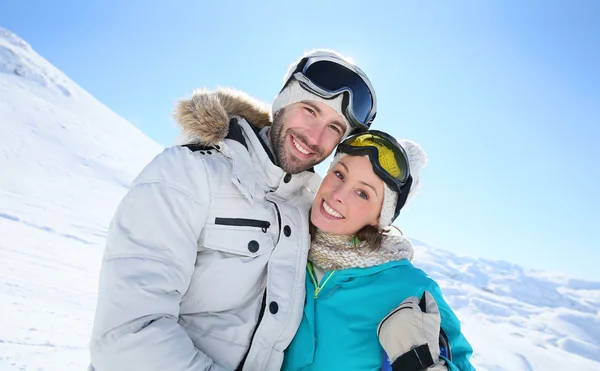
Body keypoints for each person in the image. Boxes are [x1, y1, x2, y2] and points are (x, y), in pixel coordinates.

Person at [88, 49, 377, 371]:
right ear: (282, 103)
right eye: (309, 110)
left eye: (334, 128)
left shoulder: (306, 206)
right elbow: (127, 335)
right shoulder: (188, 172)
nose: (314, 137)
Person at [281, 131, 475, 371]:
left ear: (379, 217)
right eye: (339, 174)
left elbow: (462, 363)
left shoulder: (410, 287)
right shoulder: (283, 246)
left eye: (362, 193)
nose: (338, 195)